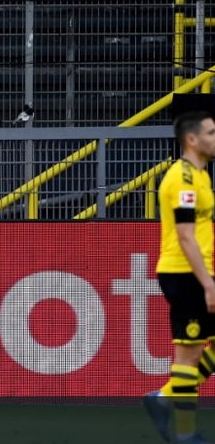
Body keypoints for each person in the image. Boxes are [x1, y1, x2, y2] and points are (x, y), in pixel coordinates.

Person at [144, 111, 215, 444]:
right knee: (189, 353)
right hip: (185, 272)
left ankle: (164, 399)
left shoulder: (201, 177)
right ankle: (186, 435)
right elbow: (186, 236)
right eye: (211, 133)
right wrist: (208, 282)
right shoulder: (182, 178)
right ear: (192, 139)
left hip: (198, 271)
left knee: (195, 351)